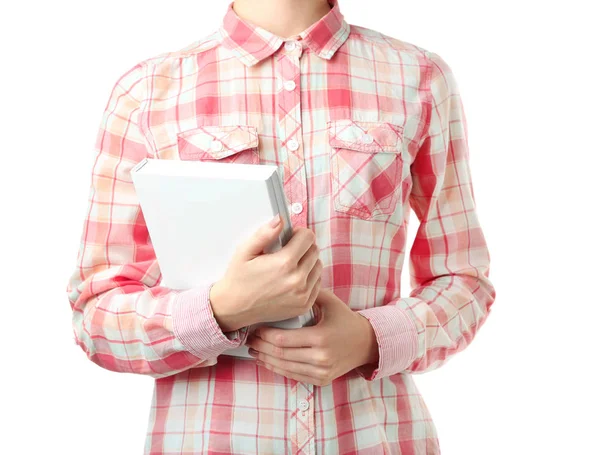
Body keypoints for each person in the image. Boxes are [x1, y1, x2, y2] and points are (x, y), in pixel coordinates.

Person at [65, 0, 497, 453]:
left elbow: (463, 280)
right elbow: (96, 313)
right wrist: (218, 310)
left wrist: (371, 339)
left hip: (373, 438)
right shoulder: (148, 93)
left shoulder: (419, 78)